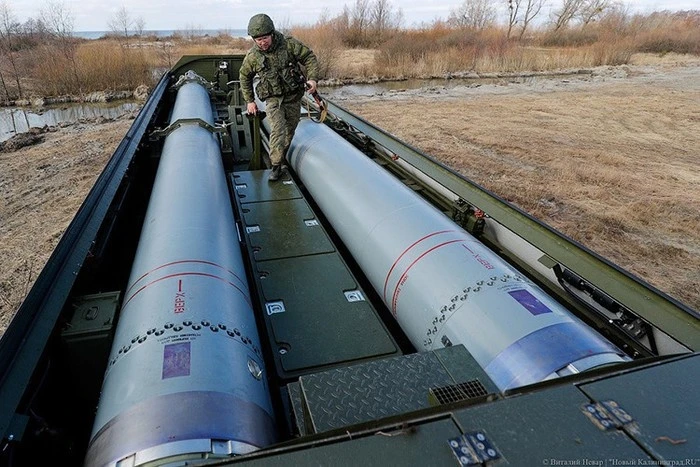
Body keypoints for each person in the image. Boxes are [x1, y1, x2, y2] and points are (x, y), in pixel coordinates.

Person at [239, 13, 320, 181]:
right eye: (258, 39)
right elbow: (244, 76)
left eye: (265, 38)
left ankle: (281, 158)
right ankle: (275, 166)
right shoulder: (253, 57)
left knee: (290, 128)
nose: (262, 43)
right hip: (273, 99)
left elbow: (309, 58)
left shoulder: (289, 45)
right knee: (278, 129)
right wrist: (250, 101)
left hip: (292, 97)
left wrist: (312, 79)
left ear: (272, 34)